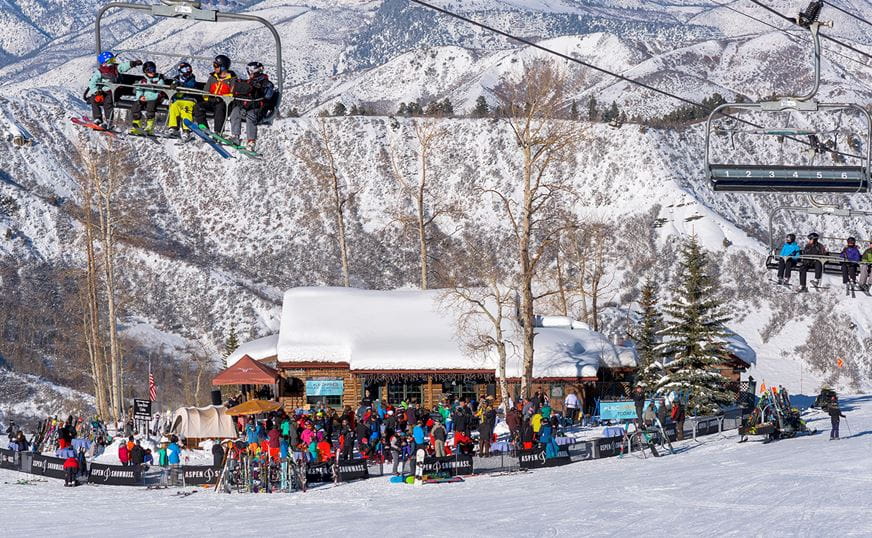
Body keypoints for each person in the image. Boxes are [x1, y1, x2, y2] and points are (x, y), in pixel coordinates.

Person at [87, 51, 142, 128]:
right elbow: (92, 83)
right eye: (111, 61)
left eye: (113, 60)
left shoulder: (116, 68)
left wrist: (133, 63)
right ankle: (97, 118)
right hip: (103, 91)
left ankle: (109, 121)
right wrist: (96, 92)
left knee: (108, 102)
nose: (113, 62)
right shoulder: (99, 72)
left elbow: (123, 66)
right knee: (93, 99)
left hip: (115, 91)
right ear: (105, 62)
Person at [229, 61, 275, 152]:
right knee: (235, 111)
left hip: (258, 109)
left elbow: (268, 97)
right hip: (247, 106)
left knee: (251, 116)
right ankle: (235, 136)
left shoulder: (265, 83)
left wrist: (261, 89)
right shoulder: (249, 82)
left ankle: (251, 141)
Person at [193, 54, 236, 133]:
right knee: (198, 106)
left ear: (223, 67)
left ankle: (218, 131)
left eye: (216, 66)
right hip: (212, 101)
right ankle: (204, 128)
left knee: (219, 108)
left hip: (224, 103)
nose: (214, 68)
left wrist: (220, 98)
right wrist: (209, 98)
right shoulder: (213, 77)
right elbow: (205, 90)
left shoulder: (232, 79)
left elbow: (232, 93)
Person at [130, 61, 165, 134]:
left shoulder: (159, 80)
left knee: (150, 106)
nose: (152, 72)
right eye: (149, 70)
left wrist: (148, 98)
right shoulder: (143, 81)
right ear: (145, 71)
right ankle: (137, 124)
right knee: (136, 105)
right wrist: (140, 97)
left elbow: (159, 92)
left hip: (155, 99)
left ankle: (150, 126)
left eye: (153, 70)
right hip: (144, 98)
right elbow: (139, 89)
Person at [166, 62, 199, 140]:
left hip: (189, 100)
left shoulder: (191, 79)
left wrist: (180, 85)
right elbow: (172, 88)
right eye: (186, 70)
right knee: (173, 108)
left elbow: (191, 86)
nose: (187, 72)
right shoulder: (176, 79)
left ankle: (186, 130)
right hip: (178, 100)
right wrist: (173, 86)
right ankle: (173, 127)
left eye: (189, 70)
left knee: (186, 111)